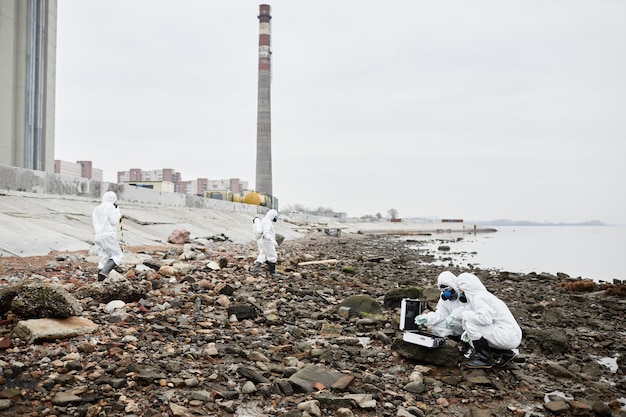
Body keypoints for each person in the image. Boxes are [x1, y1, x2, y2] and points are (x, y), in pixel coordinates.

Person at [452, 272, 522, 369]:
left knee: (470, 324)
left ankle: (484, 359)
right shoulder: (485, 296)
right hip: (512, 336)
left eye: (460, 290)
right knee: (474, 324)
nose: (460, 293)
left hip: (507, 337)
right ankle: (506, 353)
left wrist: (465, 316)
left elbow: (485, 319)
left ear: (466, 288)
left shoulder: (478, 297)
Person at [413, 271, 466, 338]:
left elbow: (468, 311)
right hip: (453, 324)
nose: (447, 293)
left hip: (465, 324)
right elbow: (441, 314)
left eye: (448, 289)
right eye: (444, 291)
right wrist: (427, 318)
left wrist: (454, 316)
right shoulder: (444, 297)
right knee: (433, 324)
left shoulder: (465, 294)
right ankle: (451, 338)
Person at [92, 191, 124, 281]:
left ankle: (100, 280)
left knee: (103, 257)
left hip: (98, 235)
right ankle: (105, 272)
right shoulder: (110, 207)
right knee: (117, 255)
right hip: (108, 234)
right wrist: (117, 212)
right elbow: (114, 222)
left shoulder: (97, 208)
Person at [252, 209, 280, 276]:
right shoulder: (268, 222)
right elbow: (266, 233)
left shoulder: (264, 220)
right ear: (272, 215)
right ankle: (272, 272)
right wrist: (273, 241)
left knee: (263, 255)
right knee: (272, 255)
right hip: (267, 241)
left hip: (262, 241)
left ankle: (255, 272)